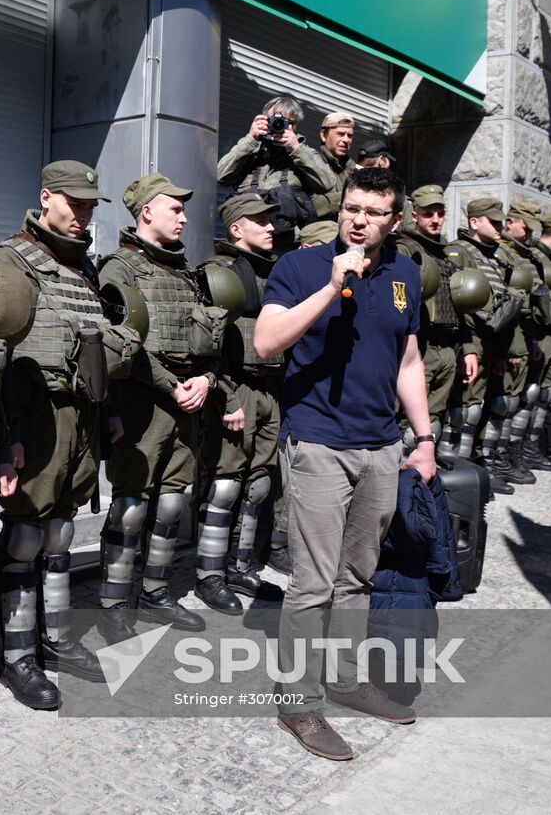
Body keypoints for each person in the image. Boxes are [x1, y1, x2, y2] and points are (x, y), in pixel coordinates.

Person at [255, 166, 436, 760]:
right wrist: (334, 287)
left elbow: (408, 361)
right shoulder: (301, 267)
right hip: (318, 443)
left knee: (356, 578)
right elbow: (266, 342)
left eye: (373, 212)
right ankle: (299, 705)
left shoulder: (406, 273)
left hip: (381, 445)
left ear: (394, 220)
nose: (359, 220)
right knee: (312, 582)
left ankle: (347, 678)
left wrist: (424, 437)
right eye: (351, 208)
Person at [0, 161, 117, 708]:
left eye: (89, 206)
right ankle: (17, 657)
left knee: (60, 532)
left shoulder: (82, 265)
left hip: (80, 414)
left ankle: (55, 639)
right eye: (74, 203)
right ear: (45, 197)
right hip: (36, 414)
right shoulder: (12, 259)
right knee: (25, 538)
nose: (83, 214)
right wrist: (3, 435)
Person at [97, 173, 241, 641]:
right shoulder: (118, 269)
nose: (183, 216)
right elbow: (119, 343)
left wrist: (205, 378)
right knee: (132, 505)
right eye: (174, 208)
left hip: (187, 400)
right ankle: (114, 601)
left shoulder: (189, 274)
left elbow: (212, 342)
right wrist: (170, 384)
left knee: (174, 500)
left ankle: (157, 591)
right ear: (146, 213)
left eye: (182, 209)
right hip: (141, 402)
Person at [202, 191, 287, 596]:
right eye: (261, 220)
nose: (272, 227)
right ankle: (210, 575)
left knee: (259, 485)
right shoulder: (216, 273)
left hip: (271, 388)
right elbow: (207, 346)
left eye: (272, 220)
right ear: (236, 229)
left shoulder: (275, 273)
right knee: (226, 485)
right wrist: (227, 396)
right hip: (236, 389)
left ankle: (240, 567)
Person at [446, 197, 526, 493]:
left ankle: (481, 465)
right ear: (474, 222)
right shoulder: (458, 252)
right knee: (466, 408)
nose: (500, 227)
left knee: (491, 403)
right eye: (493, 221)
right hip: (472, 337)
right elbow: (462, 301)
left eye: (502, 221)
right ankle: (458, 473)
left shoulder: (496, 255)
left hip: (494, 338)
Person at [391, 185, 473, 455]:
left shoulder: (449, 255)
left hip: (448, 347)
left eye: (440, 213)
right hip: (419, 346)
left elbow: (462, 306)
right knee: (408, 422)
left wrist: (468, 349)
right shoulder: (404, 250)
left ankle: (425, 479)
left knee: (434, 420)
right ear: (414, 215)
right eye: (428, 214)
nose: (436, 219)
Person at [217, 95, 337, 250]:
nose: (280, 126)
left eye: (289, 123)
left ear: (296, 126)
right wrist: (250, 139)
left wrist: (295, 148)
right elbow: (221, 175)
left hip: (287, 244)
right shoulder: (251, 149)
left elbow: (327, 183)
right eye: (274, 120)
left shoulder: (304, 153)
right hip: (248, 245)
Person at [496, 203, 551, 475]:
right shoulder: (502, 253)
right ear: (510, 222)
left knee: (526, 397)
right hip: (508, 335)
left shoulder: (527, 255)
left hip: (528, 333)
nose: (529, 231)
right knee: (503, 403)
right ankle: (496, 460)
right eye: (525, 225)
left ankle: (514, 454)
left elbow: (538, 298)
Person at [312, 112, 357, 221]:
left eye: (349, 135)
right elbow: (309, 205)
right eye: (340, 134)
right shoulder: (311, 164)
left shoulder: (353, 169)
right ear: (324, 135)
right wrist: (351, 198)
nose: (346, 140)